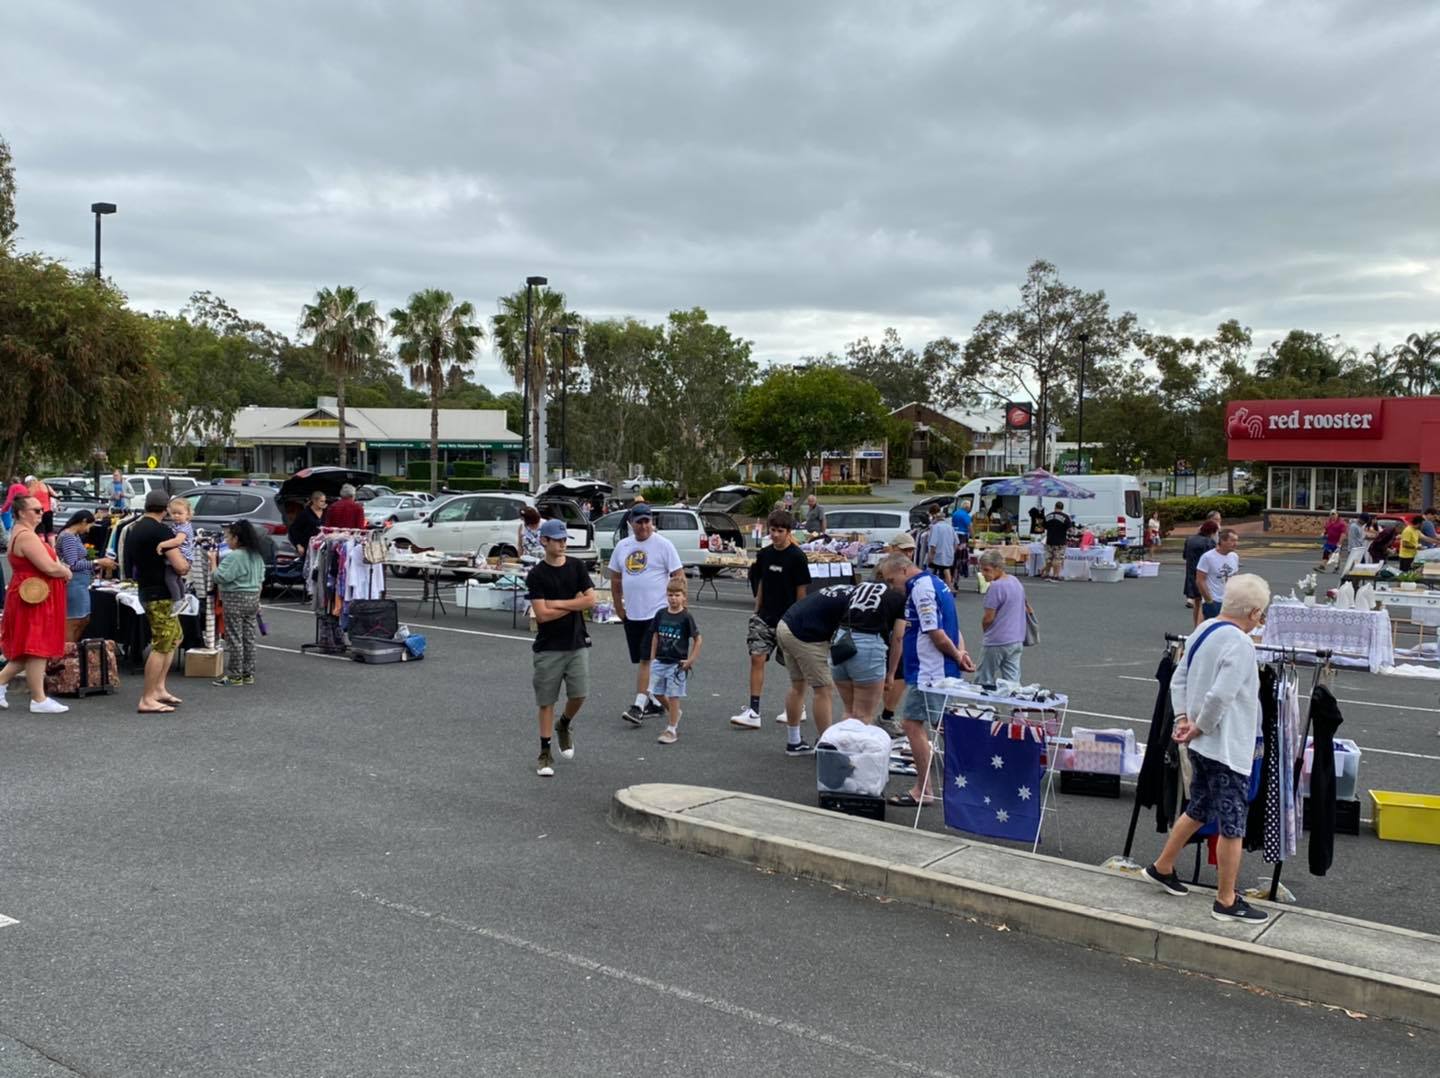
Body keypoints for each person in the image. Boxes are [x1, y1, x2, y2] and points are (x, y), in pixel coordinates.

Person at [1142, 573, 1272, 923]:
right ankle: (1226, 899)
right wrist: (1202, 725)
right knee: (1233, 822)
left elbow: (1179, 677)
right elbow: (1223, 695)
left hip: (1199, 741)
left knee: (1199, 805)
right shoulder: (1242, 644)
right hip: (1226, 745)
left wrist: (1184, 718)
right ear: (1255, 612)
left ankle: (1163, 865)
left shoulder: (1204, 629)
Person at [879, 552, 975, 808]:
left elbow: (936, 631)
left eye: (891, 580)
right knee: (941, 724)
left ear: (903, 571)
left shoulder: (921, 589)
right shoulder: (935, 583)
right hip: (931, 670)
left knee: (914, 724)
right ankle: (953, 781)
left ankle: (926, 788)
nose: (892, 587)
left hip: (930, 672)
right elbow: (951, 626)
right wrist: (960, 653)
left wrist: (956, 655)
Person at [527, 517, 596, 777]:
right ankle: (545, 752)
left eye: (565, 539)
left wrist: (559, 603)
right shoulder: (536, 574)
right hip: (548, 646)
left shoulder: (576, 567)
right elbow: (541, 615)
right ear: (544, 541)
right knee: (546, 701)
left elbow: (590, 600)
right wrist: (572, 604)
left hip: (576, 642)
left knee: (580, 694)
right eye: (557, 539)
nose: (562, 543)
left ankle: (564, 724)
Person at [730, 510, 811, 730]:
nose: (775, 535)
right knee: (757, 658)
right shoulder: (765, 555)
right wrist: (756, 611)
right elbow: (763, 583)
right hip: (765, 616)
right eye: (772, 530)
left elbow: (801, 590)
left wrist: (798, 619)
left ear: (788, 532)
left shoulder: (797, 557)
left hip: (789, 619)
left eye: (780, 531)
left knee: (793, 666)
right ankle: (754, 711)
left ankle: (798, 706)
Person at [609, 504, 684, 725]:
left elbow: (678, 575)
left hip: (658, 613)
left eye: (647, 522)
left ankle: (638, 706)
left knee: (646, 659)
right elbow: (615, 579)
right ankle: (660, 704)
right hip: (633, 614)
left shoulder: (663, 545)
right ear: (631, 523)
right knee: (646, 660)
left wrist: (679, 607)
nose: (643, 526)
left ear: (652, 522)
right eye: (639, 522)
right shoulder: (623, 546)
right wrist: (619, 608)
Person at [0, 495, 73, 714]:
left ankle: (8, 686)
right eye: (36, 510)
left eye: (42, 510)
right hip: (33, 596)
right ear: (22, 513)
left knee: (29, 649)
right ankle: (39, 699)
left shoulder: (23, 533)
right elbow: (49, 567)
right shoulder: (26, 536)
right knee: (36, 646)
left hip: (32, 593)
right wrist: (66, 571)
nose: (41, 513)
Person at [125, 488, 192, 714]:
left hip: (146, 588)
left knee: (174, 637)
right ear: (165, 509)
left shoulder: (134, 529)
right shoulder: (162, 531)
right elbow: (180, 565)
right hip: (160, 593)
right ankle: (147, 697)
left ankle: (159, 688)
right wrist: (187, 565)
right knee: (162, 643)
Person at [830, 580, 907, 726]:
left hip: (842, 642)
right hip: (869, 645)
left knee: (849, 710)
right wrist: (891, 673)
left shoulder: (858, 589)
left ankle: (844, 745)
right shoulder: (898, 597)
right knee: (863, 715)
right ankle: (857, 748)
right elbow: (898, 637)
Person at [211, 519, 267, 687]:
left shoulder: (234, 556)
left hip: (235, 599)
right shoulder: (256, 556)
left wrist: (212, 562)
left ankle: (235, 675)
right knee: (249, 636)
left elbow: (220, 577)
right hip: (252, 598)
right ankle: (248, 673)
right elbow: (261, 579)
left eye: (228, 538)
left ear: (236, 538)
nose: (227, 541)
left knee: (234, 637)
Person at [649, 577, 702, 745]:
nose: (673, 598)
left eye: (677, 595)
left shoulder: (686, 617)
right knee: (656, 693)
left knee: (673, 695)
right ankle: (674, 712)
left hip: (677, 664)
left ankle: (672, 729)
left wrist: (691, 660)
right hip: (660, 661)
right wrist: (652, 658)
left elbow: (698, 639)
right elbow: (655, 636)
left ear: (684, 597)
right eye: (670, 595)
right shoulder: (661, 614)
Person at [56, 510, 117, 642]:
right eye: (89, 526)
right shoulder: (68, 537)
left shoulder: (73, 536)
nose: (89, 530)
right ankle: (68, 653)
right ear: (83, 521)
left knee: (83, 619)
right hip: (74, 584)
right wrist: (97, 562)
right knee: (74, 620)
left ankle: (71, 650)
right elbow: (72, 564)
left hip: (80, 584)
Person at [975, 549, 1029, 685]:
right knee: (1012, 681)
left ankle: (981, 706)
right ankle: (1015, 706)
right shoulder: (1015, 581)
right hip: (1016, 639)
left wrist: (986, 632)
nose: (983, 574)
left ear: (998, 568)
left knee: (983, 679)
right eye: (981, 570)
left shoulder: (996, 587)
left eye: (986, 570)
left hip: (997, 640)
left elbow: (988, 617)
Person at [1195, 528, 1240, 620]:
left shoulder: (1234, 556)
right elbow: (1200, 580)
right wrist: (1209, 601)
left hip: (1228, 601)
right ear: (1222, 541)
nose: (1235, 544)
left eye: (1236, 541)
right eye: (1232, 541)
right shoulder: (1207, 557)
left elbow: (1235, 578)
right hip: (1214, 600)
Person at [157, 496, 196, 601]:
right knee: (177, 578)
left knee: (170, 578)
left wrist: (162, 544)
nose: (176, 516)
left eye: (180, 513)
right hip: (182, 557)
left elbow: (178, 540)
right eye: (174, 513)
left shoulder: (184, 527)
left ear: (188, 514)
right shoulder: (177, 525)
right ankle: (182, 598)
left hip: (183, 557)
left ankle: (177, 600)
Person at [1183, 520, 1219, 628]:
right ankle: (1201, 627)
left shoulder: (1189, 539)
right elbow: (1214, 559)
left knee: (1197, 603)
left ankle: (1196, 626)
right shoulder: (1209, 542)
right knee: (1205, 602)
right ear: (1212, 531)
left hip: (1191, 574)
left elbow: (1184, 556)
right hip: (1204, 575)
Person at [925, 504, 957, 588]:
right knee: (946, 570)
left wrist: (930, 557)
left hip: (938, 555)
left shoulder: (935, 527)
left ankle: (928, 586)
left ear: (936, 518)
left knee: (931, 570)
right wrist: (952, 552)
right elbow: (956, 542)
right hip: (948, 554)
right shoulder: (950, 527)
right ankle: (949, 588)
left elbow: (933, 544)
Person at [1039, 501, 1072, 580]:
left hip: (1049, 540)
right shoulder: (1066, 517)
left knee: (1049, 558)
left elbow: (1043, 528)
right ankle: (1055, 575)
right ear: (1062, 508)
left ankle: (1046, 573)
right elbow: (1070, 529)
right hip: (1060, 541)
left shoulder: (1048, 516)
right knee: (1057, 559)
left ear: (1055, 507)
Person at [28, 476, 56, 542]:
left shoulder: (31, 488)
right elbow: (55, 495)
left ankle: (42, 546)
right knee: (50, 530)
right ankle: (52, 548)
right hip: (48, 511)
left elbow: (28, 499)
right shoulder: (46, 486)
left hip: (37, 511)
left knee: (39, 530)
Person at [951, 497, 973, 579]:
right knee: (962, 554)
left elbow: (952, 523)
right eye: (969, 507)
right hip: (962, 536)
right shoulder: (966, 515)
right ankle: (961, 569)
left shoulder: (955, 513)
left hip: (954, 534)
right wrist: (973, 536)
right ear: (967, 507)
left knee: (955, 553)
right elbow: (969, 526)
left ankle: (954, 567)